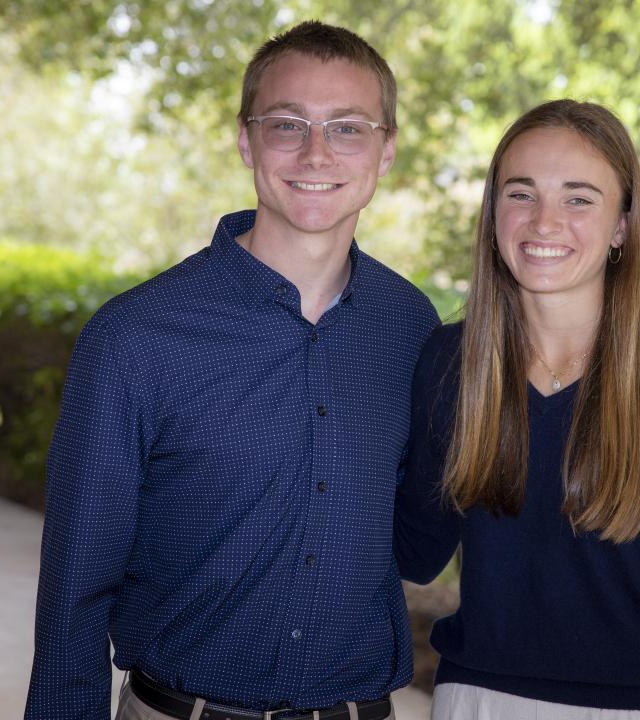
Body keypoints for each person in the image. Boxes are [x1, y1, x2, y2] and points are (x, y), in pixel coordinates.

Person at [24, 21, 440, 720]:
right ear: (246, 140)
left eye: (347, 128)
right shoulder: (135, 337)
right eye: (287, 124)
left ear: (386, 149)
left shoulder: (409, 327)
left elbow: (417, 537)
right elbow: (75, 588)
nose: (315, 151)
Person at [394, 100, 640, 719]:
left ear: (621, 226)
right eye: (521, 193)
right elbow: (417, 553)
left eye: (579, 198)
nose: (544, 220)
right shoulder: (451, 362)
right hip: (472, 699)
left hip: (634, 710)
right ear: (493, 213)